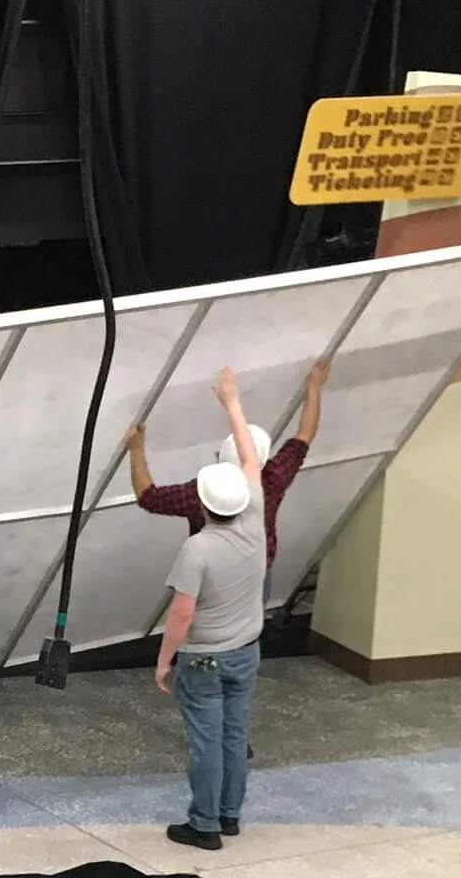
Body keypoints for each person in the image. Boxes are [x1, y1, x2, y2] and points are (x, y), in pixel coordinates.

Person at [155, 371, 266, 852]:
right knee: (234, 735)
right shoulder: (255, 519)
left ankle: (203, 825)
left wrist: (164, 662)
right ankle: (229, 815)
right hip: (246, 652)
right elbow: (250, 458)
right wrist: (233, 403)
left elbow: (181, 614)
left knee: (206, 740)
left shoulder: (197, 549)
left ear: (200, 503)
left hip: (203, 659)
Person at [125, 353, 327, 567]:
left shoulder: (200, 496)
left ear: (220, 457)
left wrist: (136, 449)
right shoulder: (272, 480)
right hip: (256, 570)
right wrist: (314, 386)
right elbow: (305, 434)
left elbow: (149, 497)